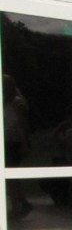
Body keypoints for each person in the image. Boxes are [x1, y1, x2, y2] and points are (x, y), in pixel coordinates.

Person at [3, 74, 32, 219]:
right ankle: (21, 202)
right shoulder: (8, 102)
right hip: (9, 140)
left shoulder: (17, 102)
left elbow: (21, 124)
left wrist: (24, 143)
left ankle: (17, 206)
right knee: (10, 177)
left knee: (11, 176)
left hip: (14, 142)